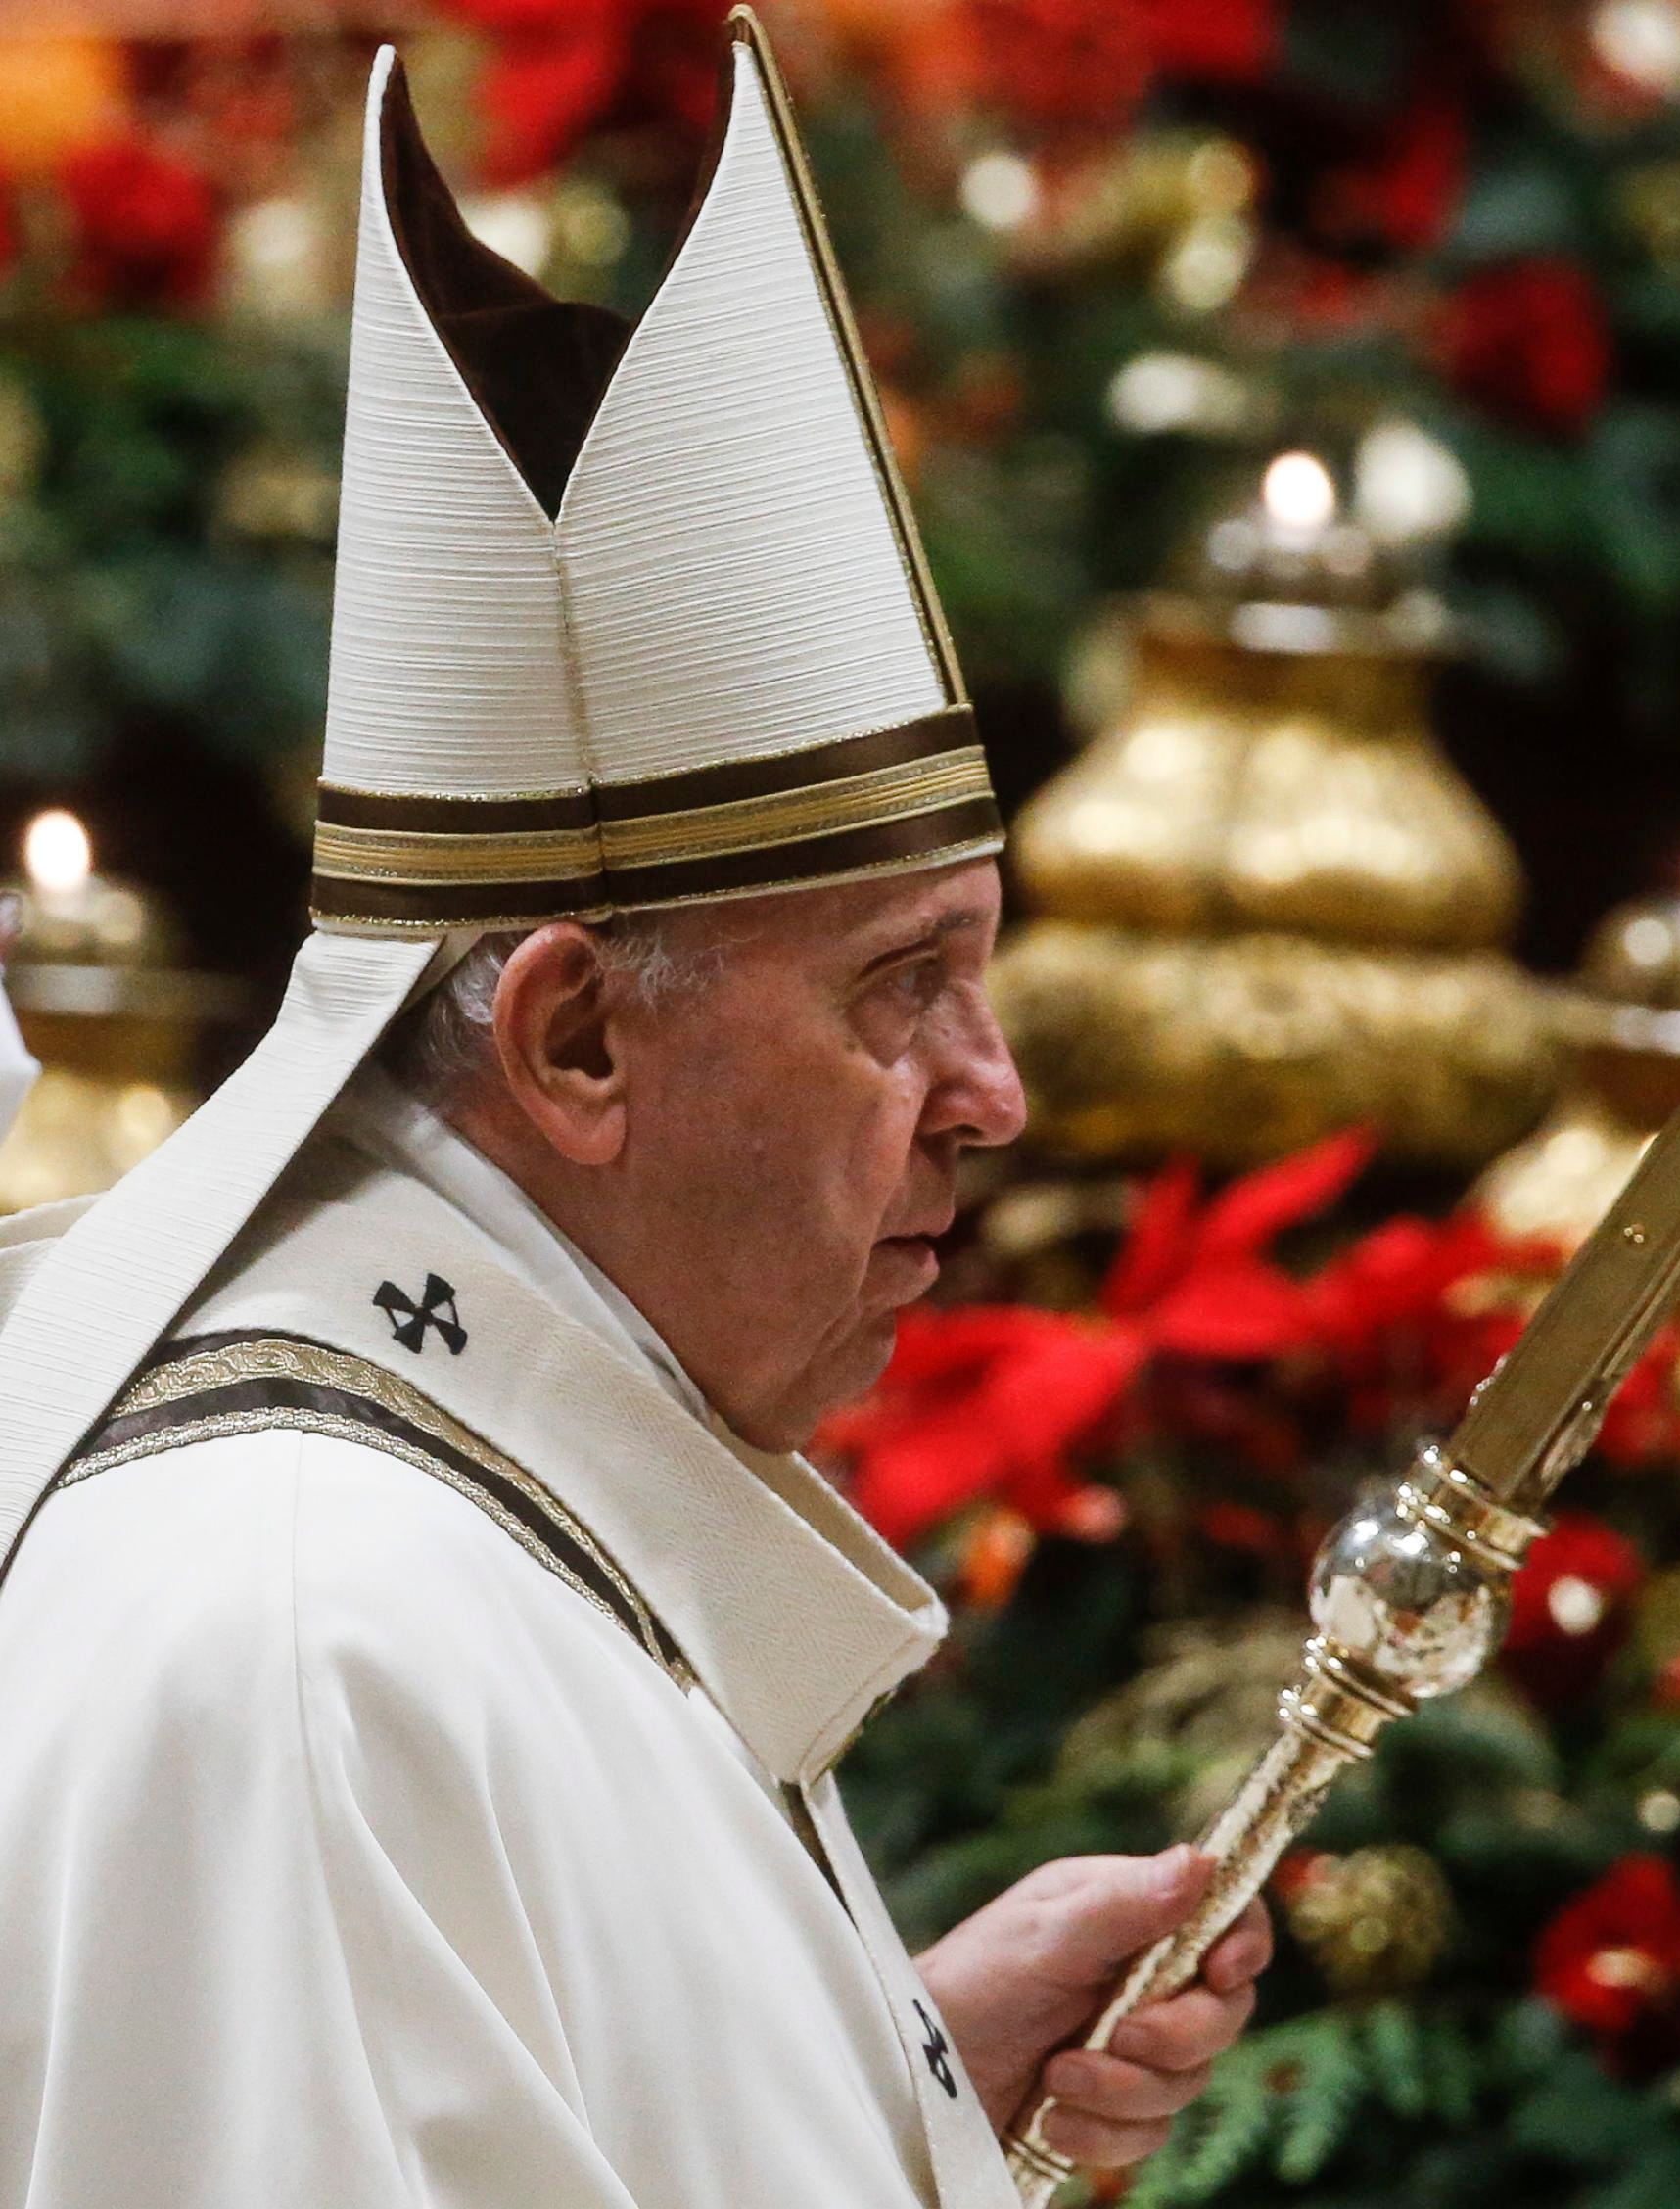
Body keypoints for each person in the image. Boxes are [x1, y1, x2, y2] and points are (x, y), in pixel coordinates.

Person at [0, 16, 1259, 2206]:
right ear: (573, 1044)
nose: (998, 1091)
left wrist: (893, 2085)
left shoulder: (473, 1493)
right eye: (905, 987)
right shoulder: (304, 1628)